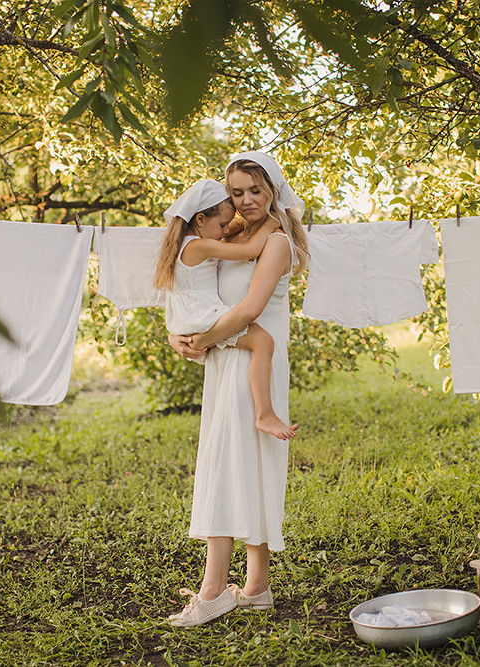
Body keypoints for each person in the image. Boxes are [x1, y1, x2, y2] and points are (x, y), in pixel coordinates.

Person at [166, 152, 310, 628]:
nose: (246, 200)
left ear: (272, 190)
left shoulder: (276, 241)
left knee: (233, 465)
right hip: (226, 359)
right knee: (240, 464)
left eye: (255, 190)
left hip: (252, 361)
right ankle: (256, 588)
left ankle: (212, 593)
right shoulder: (230, 235)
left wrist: (202, 340)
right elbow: (192, 288)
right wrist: (179, 335)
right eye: (236, 192)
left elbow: (249, 309)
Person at [153, 179, 298, 441]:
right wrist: (271, 223)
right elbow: (250, 249)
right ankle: (265, 414)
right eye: (222, 225)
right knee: (263, 342)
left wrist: (247, 219)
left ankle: (264, 414)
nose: (225, 231)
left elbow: (234, 226)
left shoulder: (187, 240)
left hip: (189, 317)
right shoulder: (200, 245)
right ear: (200, 219)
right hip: (203, 316)